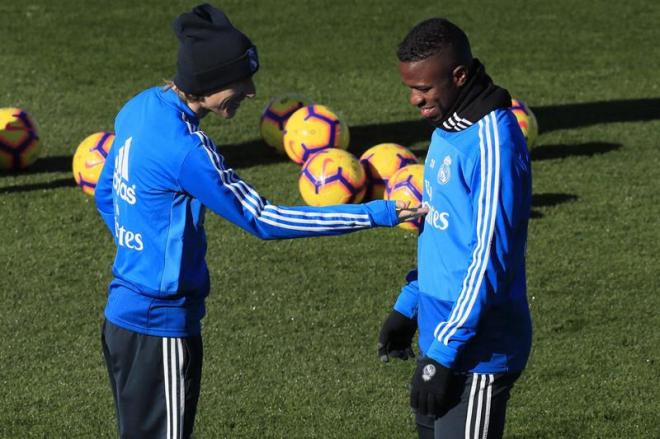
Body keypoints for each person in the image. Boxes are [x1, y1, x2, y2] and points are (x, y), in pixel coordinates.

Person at [94, 4, 426, 438]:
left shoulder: (138, 108)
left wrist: (139, 246)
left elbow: (106, 194)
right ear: (209, 81)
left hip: (120, 319)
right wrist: (377, 212)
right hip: (162, 330)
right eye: (240, 80)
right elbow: (265, 219)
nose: (250, 92)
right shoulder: (188, 149)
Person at [377, 18, 532, 439]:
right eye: (410, 88)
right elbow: (444, 234)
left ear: (459, 76)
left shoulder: (493, 144)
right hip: (440, 331)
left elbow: (488, 260)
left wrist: (444, 354)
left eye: (424, 89)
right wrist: (411, 302)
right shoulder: (449, 128)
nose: (414, 100)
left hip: (479, 351)